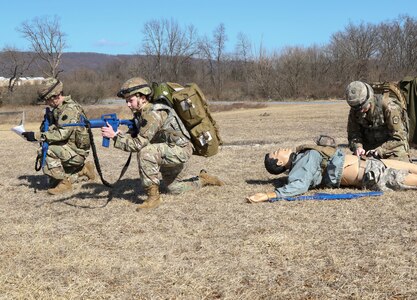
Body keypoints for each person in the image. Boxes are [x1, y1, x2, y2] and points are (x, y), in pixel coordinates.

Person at [101, 77, 224, 210]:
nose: (128, 105)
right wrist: (119, 134)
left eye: (130, 100)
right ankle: (203, 179)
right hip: (168, 149)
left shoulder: (154, 113)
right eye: (126, 101)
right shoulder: (141, 114)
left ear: (142, 97)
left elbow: (138, 145)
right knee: (173, 188)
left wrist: (114, 137)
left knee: (145, 152)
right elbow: (136, 136)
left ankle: (153, 199)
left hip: (180, 150)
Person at [247, 143, 417, 203]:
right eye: (276, 153)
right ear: (279, 163)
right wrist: (270, 195)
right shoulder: (300, 167)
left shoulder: (301, 157)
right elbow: (299, 186)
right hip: (371, 175)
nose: (280, 150)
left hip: (370, 163)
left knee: (411, 166)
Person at [21, 78, 96, 194]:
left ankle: (65, 184)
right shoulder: (58, 110)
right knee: (53, 181)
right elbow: (52, 130)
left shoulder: (70, 109)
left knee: (46, 151)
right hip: (68, 149)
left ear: (55, 96)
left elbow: (61, 134)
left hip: (76, 152)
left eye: (48, 99)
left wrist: (36, 136)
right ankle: (84, 170)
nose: (47, 103)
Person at [346, 80, 410, 162]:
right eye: (357, 108)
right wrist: (358, 147)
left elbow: (399, 138)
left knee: (396, 172)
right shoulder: (356, 110)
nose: (360, 111)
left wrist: (380, 150)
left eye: (363, 107)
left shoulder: (389, 107)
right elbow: (353, 135)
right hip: (369, 150)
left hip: (391, 149)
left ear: (370, 99)